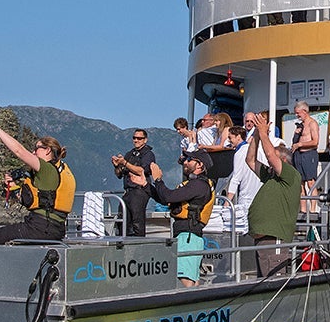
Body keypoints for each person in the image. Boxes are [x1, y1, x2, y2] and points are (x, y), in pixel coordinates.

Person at [128, 150, 215, 287]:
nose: (185, 162)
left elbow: (168, 196)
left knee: (186, 279)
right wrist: (145, 185)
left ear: (199, 165)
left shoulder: (198, 185)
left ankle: (188, 300)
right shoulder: (194, 184)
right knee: (192, 279)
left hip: (188, 236)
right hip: (189, 236)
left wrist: (158, 180)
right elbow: (166, 199)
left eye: (189, 160)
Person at [0, 119, 75, 244]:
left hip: (39, 228)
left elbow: (19, 151)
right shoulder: (62, 171)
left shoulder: (46, 169)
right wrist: (13, 185)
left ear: (48, 150)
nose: (33, 152)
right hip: (56, 230)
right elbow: (30, 199)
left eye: (37, 148)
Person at [244, 112, 302, 277]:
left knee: (274, 282)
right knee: (264, 282)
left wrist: (264, 133)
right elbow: (250, 161)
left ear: (283, 160)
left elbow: (270, 155)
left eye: (274, 159)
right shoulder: (271, 175)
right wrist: (256, 135)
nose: (269, 161)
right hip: (262, 239)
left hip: (274, 237)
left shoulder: (290, 174)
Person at [207, 125, 261, 274]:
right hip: (257, 192)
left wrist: (227, 200)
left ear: (238, 137)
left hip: (246, 195)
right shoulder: (254, 150)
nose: (229, 141)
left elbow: (236, 178)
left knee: (243, 227)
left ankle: (241, 264)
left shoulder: (239, 153)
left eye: (230, 138)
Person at [112, 129, 159, 236]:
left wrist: (125, 163)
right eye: (134, 138)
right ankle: (124, 240)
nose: (136, 140)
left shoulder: (148, 154)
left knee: (137, 222)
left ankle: (139, 242)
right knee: (123, 221)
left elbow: (141, 170)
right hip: (127, 191)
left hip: (139, 191)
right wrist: (117, 166)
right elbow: (120, 174)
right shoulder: (129, 154)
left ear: (145, 140)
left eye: (139, 138)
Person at [289, 101, 320, 215]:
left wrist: (300, 144)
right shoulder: (300, 125)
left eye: (298, 113)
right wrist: (296, 136)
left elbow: (315, 142)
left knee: (310, 182)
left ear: (305, 111)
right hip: (298, 155)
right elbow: (294, 142)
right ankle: (303, 210)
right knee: (300, 183)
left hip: (309, 154)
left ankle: (313, 209)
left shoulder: (312, 123)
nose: (297, 115)